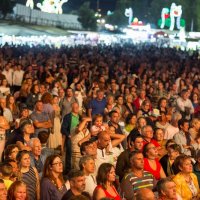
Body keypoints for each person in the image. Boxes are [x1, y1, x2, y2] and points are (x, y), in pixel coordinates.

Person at [61, 102, 81, 174]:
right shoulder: (67, 117)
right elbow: (63, 128)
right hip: (70, 138)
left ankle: (77, 169)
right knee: (69, 154)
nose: (76, 108)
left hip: (79, 138)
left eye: (77, 107)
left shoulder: (80, 117)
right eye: (74, 107)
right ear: (72, 108)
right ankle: (68, 171)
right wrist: (68, 135)